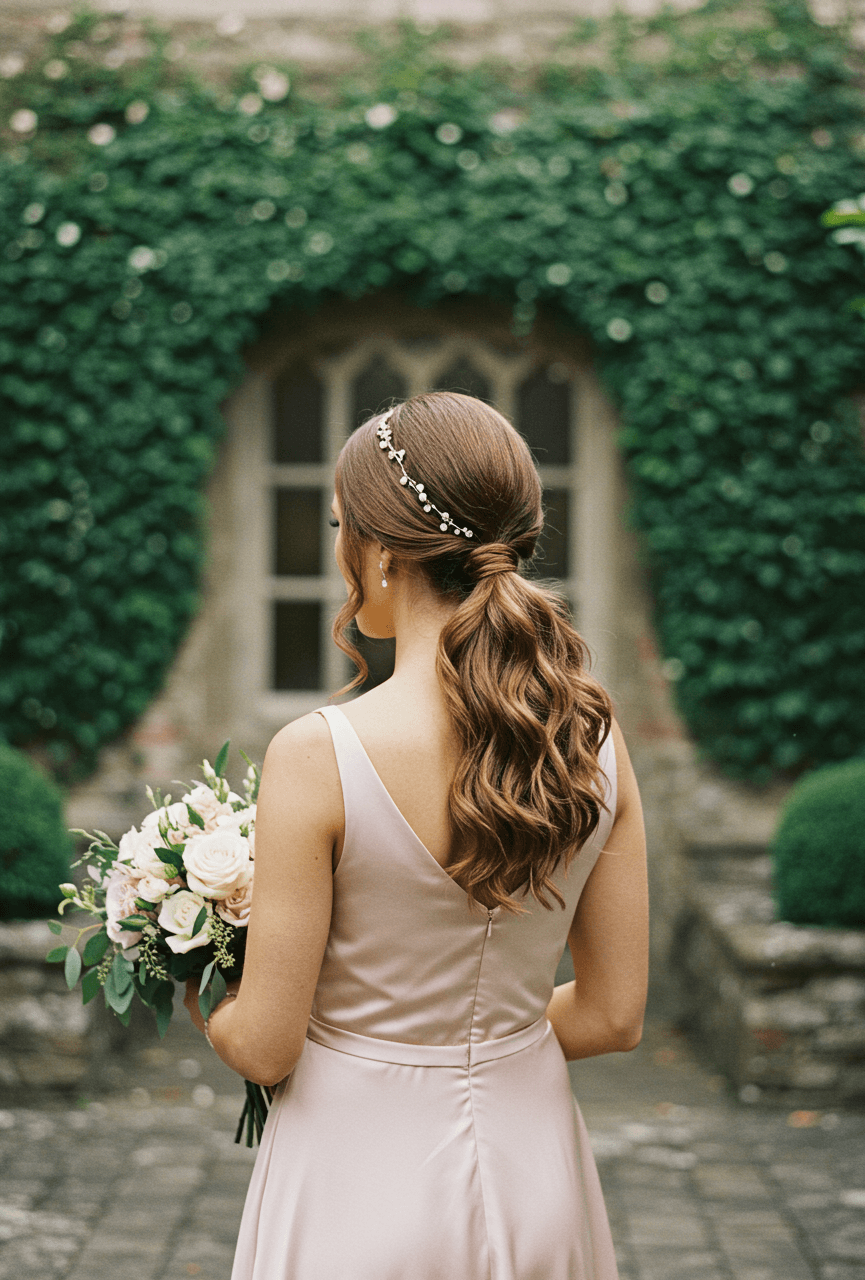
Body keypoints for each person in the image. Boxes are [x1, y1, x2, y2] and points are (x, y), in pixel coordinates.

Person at [185, 390, 649, 1279]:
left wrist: (203, 987)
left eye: (339, 526)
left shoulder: (318, 753)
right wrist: (488, 1042)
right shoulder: (595, 740)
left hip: (354, 1181)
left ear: (382, 551)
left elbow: (268, 1045)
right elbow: (612, 1015)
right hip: (536, 1170)